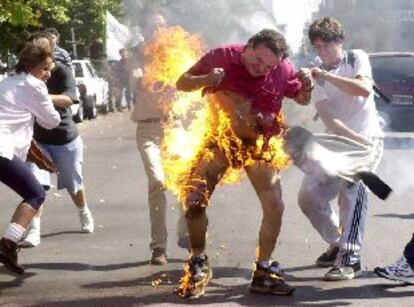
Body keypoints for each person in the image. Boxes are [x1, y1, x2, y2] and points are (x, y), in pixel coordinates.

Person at [174, 29, 313, 297]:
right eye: (257, 61)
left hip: (259, 145)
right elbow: (182, 82)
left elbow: (303, 99)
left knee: (274, 205)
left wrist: (308, 85)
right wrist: (207, 78)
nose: (261, 69)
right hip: (220, 141)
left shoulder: (283, 69)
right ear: (248, 47)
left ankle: (263, 271)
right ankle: (198, 260)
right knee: (194, 199)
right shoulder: (223, 56)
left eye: (269, 66)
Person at [297, 17, 384, 281]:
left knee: (353, 189)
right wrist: (350, 136)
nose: (321, 52)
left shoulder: (355, 58)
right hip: (340, 140)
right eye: (317, 47)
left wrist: (325, 75)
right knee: (308, 196)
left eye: (325, 45)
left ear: (340, 42)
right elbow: (328, 118)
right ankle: (336, 241)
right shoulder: (317, 79)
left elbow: (363, 90)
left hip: (368, 140)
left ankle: (350, 257)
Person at [21, 32, 94, 247]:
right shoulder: (25, 75)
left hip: (64, 138)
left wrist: (41, 98)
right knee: (36, 185)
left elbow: (69, 99)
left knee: (73, 183)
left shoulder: (61, 72)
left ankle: (83, 211)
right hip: (36, 139)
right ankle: (34, 230)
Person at [130, 13, 188, 266]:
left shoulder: (178, 54)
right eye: (154, 27)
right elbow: (139, 83)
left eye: (162, 26)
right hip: (148, 130)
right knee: (157, 181)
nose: (159, 31)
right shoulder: (137, 57)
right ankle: (158, 247)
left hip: (174, 126)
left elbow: (189, 86)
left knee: (188, 181)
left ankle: (186, 232)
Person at [0, 39, 60, 274]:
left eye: (49, 68)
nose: (47, 74)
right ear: (31, 65)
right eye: (44, 68)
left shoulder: (7, 82)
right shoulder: (34, 86)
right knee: (35, 193)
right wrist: (56, 101)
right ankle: (7, 245)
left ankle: (8, 247)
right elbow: (51, 121)